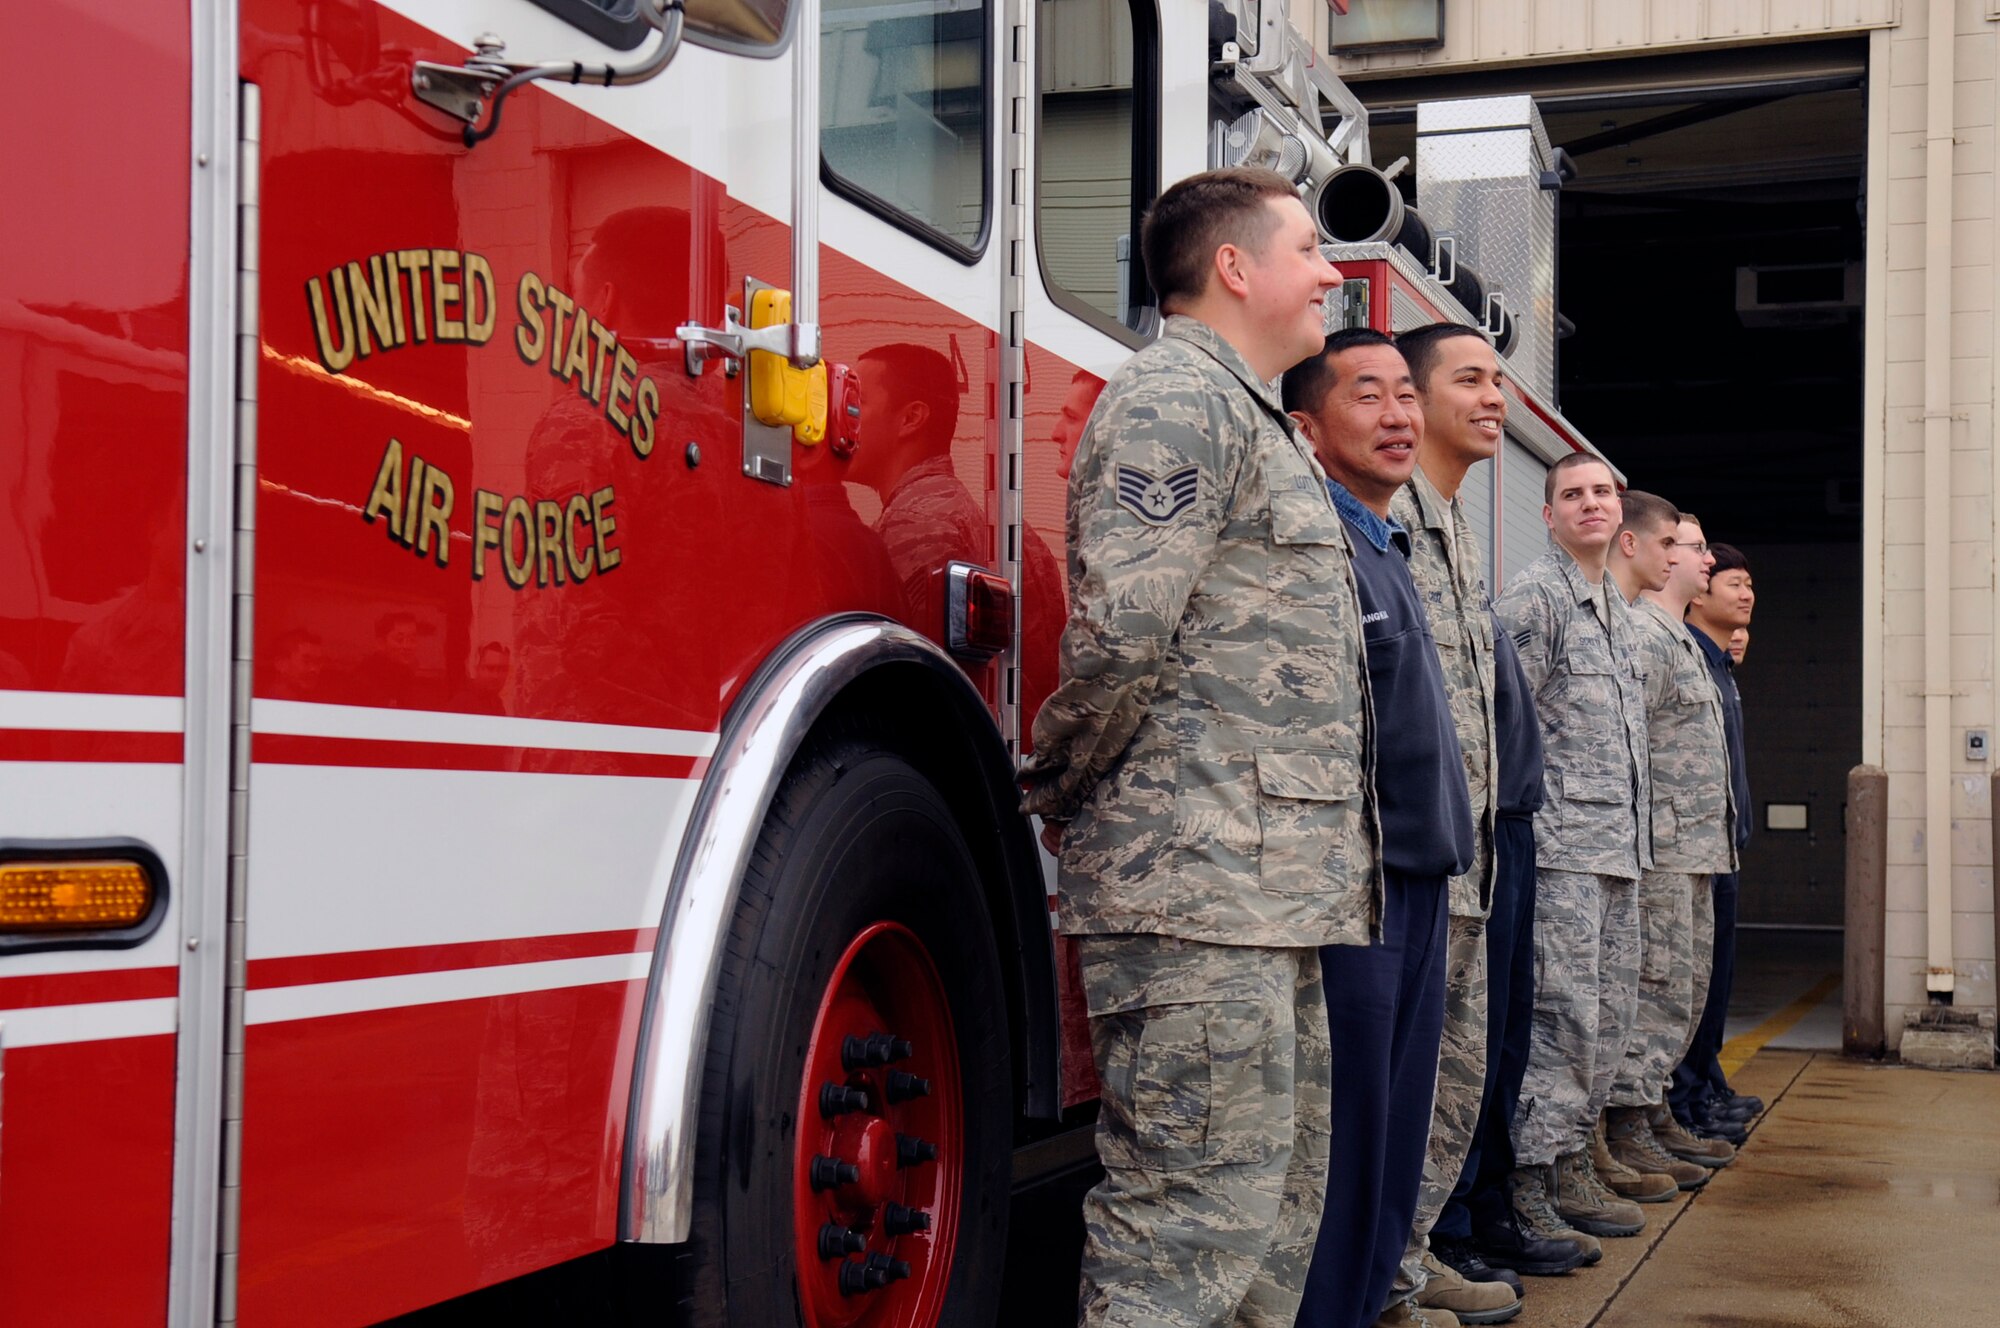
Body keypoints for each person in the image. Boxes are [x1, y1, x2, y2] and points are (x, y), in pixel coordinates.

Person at [1018, 166, 1360, 1328]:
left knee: (1264, 1223)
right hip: (1197, 890)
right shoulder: (1175, 397)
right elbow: (1120, 633)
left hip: (1265, 894)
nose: (1329, 273)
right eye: (1309, 249)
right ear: (1233, 267)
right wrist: (1063, 777)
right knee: (1185, 1230)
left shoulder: (1245, 410)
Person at [1284, 330, 1473, 1328]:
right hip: (1356, 886)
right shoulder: (1317, 540)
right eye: (1369, 396)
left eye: (1407, 394)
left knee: (1394, 1133)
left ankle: (1365, 1307)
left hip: (1419, 875)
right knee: (1343, 1138)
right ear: (1306, 427)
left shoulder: (1386, 541)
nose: (1399, 414)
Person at [1376, 323, 1517, 1328]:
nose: (1494, 397)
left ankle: (1410, 1259)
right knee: (1397, 1084)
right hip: (1412, 859)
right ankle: (1379, 1281)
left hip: (1469, 858)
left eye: (1498, 379)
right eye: (1470, 379)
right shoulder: (1384, 520)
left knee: (1447, 1080)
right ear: (1414, 401)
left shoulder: (1455, 527)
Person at [1492, 452, 1651, 1252]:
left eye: (1603, 493)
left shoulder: (1614, 610)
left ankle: (1570, 1165)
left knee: (1607, 1019)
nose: (1591, 504)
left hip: (1615, 853)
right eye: (1572, 495)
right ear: (1548, 514)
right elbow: (1498, 726)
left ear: (1619, 514)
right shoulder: (1536, 599)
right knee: (1561, 1023)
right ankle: (1526, 1189)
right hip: (1558, 855)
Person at [1602, 500, 1740, 1193]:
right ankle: (1627, 1123)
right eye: (1692, 545)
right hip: (1659, 850)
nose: (1707, 559)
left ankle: (1651, 1112)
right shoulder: (1644, 637)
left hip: (1693, 848)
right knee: (1653, 991)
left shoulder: (1677, 637)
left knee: (1682, 993)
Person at [1670, 542, 1761, 1142]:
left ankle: (1706, 1084)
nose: (1746, 593)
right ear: (1700, 592)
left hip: (1720, 844)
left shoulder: (1720, 666)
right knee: (1684, 985)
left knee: (1714, 979)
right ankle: (1687, 1101)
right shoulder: (1686, 658)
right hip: (1688, 848)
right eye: (1734, 582)